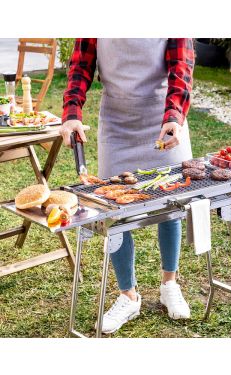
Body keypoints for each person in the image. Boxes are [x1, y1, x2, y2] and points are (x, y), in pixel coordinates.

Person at [60, 38, 194, 334]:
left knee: (170, 203)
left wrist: (174, 115)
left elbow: (181, 67)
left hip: (162, 117)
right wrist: (71, 114)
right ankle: (128, 296)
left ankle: (169, 284)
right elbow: (81, 65)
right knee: (114, 212)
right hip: (117, 122)